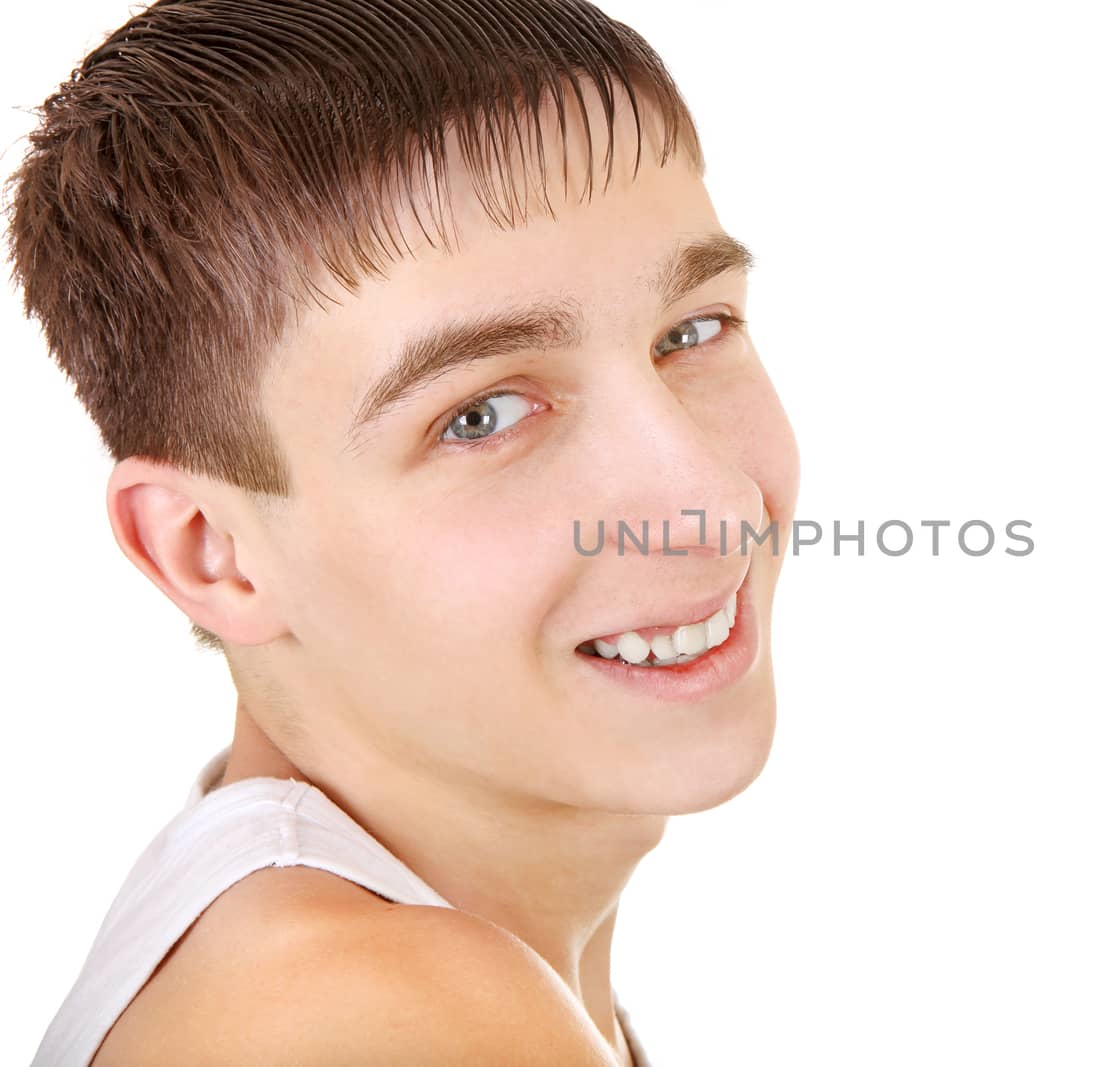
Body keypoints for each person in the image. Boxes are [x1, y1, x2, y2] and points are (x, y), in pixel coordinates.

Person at [9, 1, 799, 1064]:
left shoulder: (332, 955)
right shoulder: (386, 1013)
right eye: (480, 414)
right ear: (209, 550)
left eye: (690, 331)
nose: (706, 495)